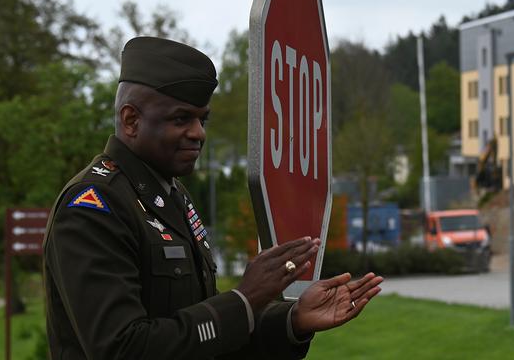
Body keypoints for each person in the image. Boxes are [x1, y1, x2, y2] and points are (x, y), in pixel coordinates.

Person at [44, 36, 382, 359]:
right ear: (131, 120)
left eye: (202, 119)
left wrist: (292, 320)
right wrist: (244, 299)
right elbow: (122, 349)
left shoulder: (173, 198)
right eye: (181, 119)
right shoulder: (94, 206)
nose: (199, 133)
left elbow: (205, 340)